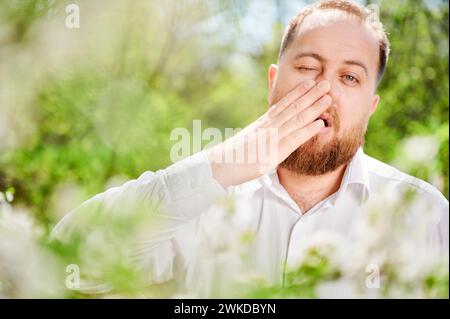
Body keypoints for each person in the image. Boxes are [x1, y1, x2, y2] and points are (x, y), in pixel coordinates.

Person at [52, 0, 449, 295]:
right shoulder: (202, 200)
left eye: (349, 78)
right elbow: (64, 264)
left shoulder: (427, 216)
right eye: (309, 68)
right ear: (272, 82)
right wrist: (223, 166)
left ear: (371, 107)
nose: (322, 90)